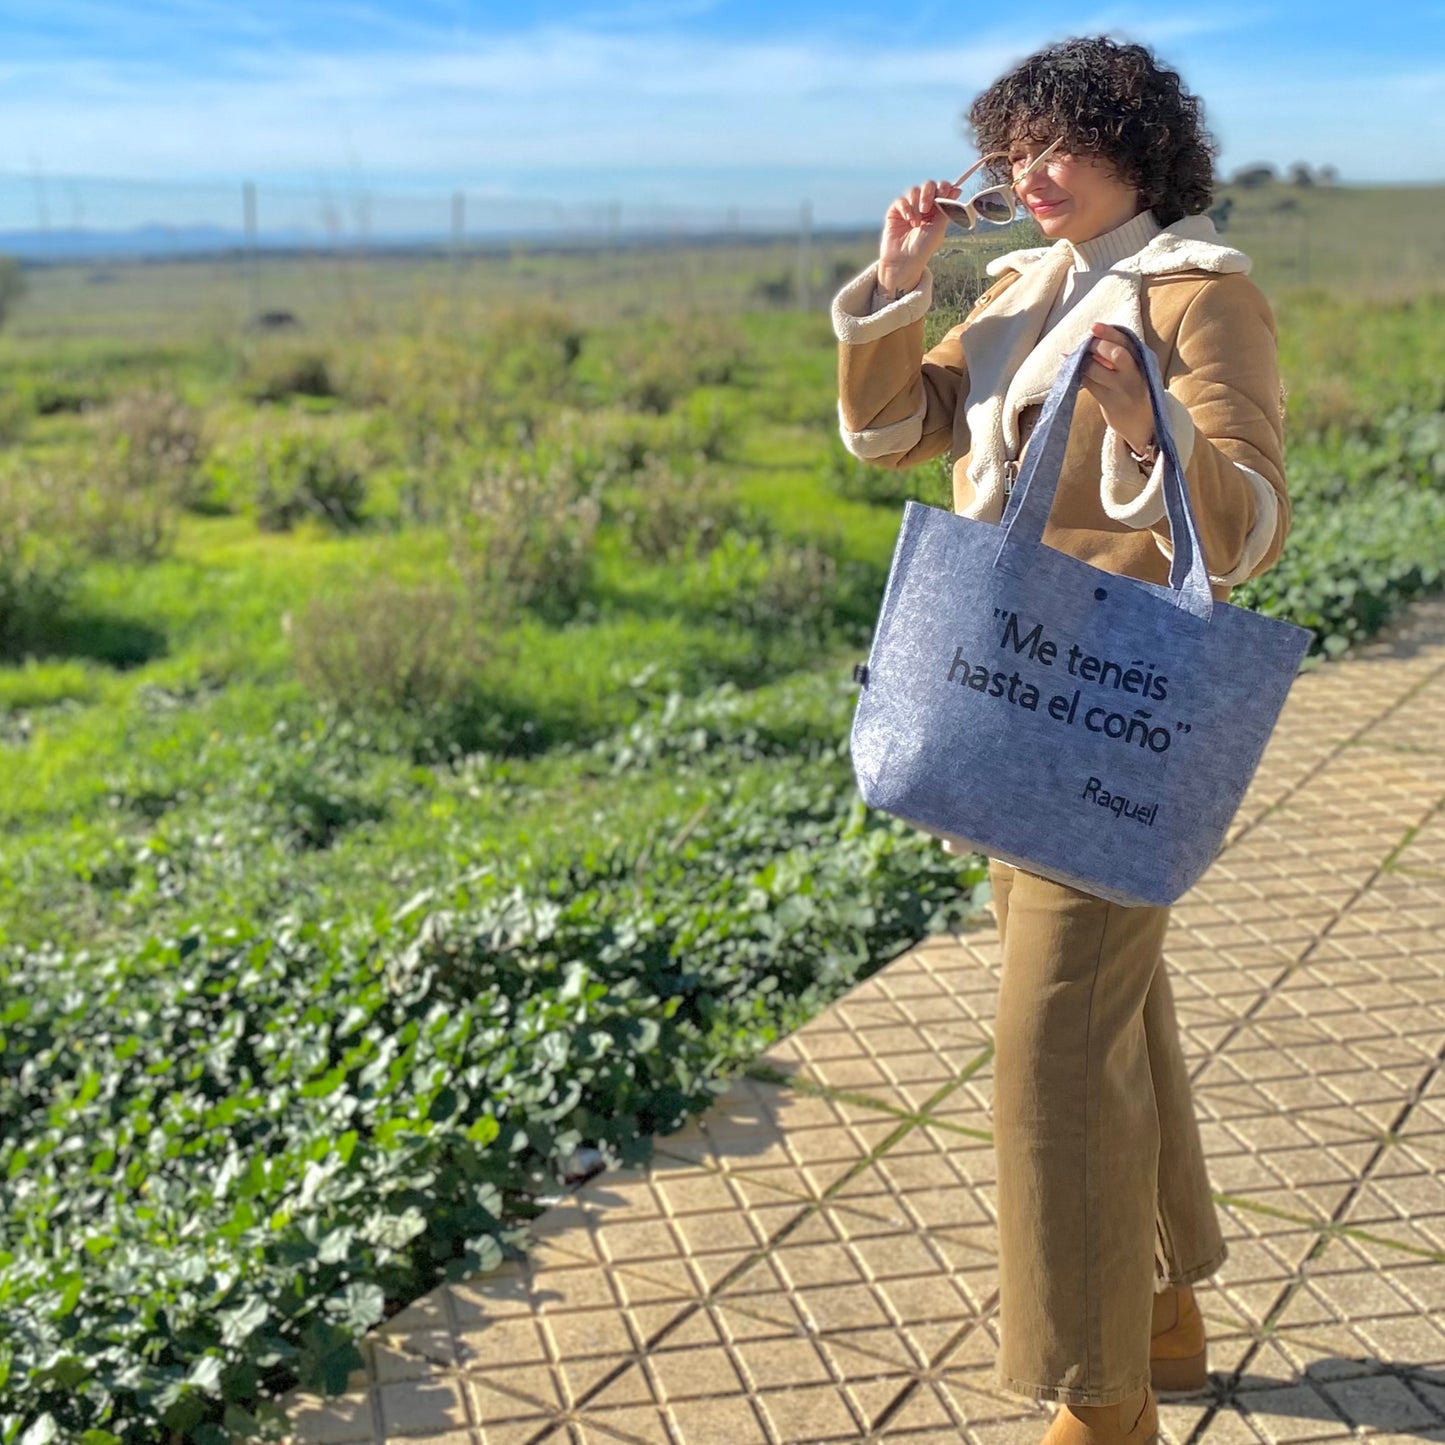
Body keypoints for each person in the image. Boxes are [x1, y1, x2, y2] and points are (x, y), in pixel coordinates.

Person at [832, 35, 1290, 1445]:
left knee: (1045, 1053)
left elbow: (1254, 527)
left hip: (1112, 719)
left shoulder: (1199, 293)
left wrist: (1130, 415)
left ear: (1137, 151)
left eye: (1060, 145)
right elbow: (894, 431)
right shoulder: (1021, 285)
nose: (1029, 173)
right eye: (1010, 148)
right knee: (1109, 1021)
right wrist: (899, 290)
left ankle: (1097, 1399)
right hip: (1001, 710)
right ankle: (1156, 1311)